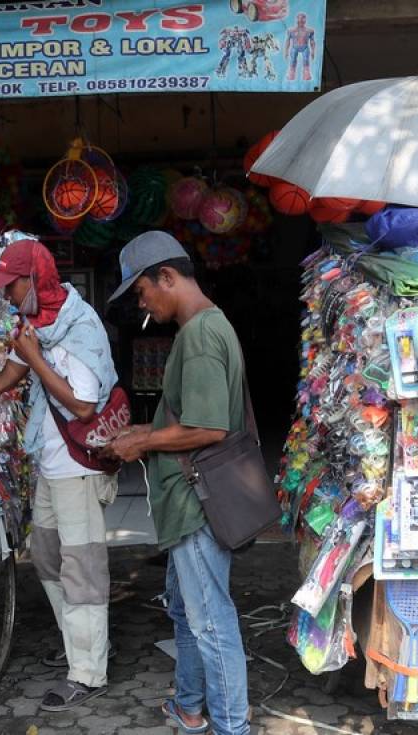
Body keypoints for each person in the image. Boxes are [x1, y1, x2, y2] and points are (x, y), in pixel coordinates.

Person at [0, 238, 118, 712]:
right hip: (51, 465)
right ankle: (80, 646)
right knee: (49, 559)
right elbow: (1, 382)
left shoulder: (78, 328)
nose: (5, 295)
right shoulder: (34, 324)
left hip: (78, 468)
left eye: (11, 285)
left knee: (82, 570)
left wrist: (34, 359)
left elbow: (82, 404)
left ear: (35, 279)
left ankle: (89, 672)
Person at [107, 231, 251, 735]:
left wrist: (143, 444)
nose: (142, 303)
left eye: (143, 291)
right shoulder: (203, 329)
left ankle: (233, 727)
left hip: (196, 505)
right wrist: (146, 431)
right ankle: (189, 706)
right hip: (186, 503)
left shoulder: (200, 336)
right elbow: (193, 417)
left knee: (211, 622)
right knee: (188, 615)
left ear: (166, 276)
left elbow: (208, 428)